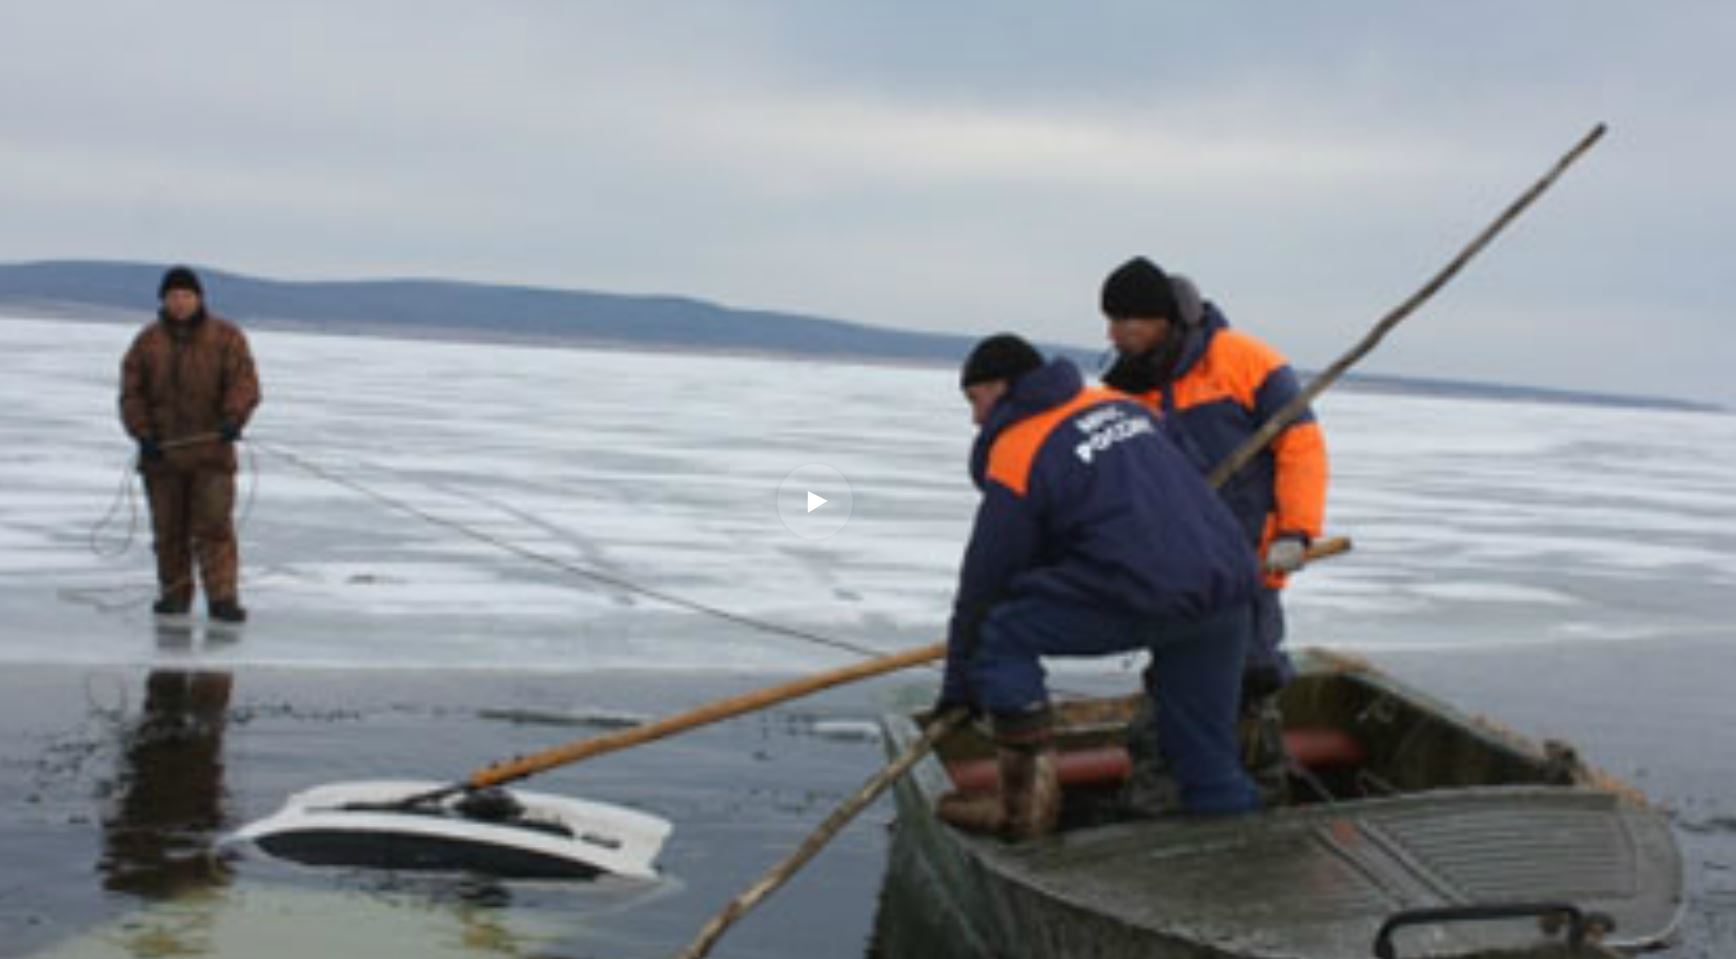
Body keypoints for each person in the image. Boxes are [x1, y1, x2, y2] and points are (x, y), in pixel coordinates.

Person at [934, 333, 1262, 839]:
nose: (976, 419)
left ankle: (1025, 807)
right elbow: (1194, 472)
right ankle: (1242, 849)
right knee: (1205, 751)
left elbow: (985, 584)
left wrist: (961, 686)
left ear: (1002, 388)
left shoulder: (1019, 449)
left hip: (1151, 591)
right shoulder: (1123, 405)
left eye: (975, 401)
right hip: (1228, 585)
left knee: (1002, 634)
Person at [1099, 257, 1328, 693]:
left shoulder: (1246, 361)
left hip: (1248, 550)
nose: (1113, 335)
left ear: (1161, 321)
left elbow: (1301, 448)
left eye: (1125, 322)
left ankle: (1256, 730)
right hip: (1176, 559)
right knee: (1177, 668)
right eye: (1110, 322)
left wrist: (1295, 531)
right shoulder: (1125, 390)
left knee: (1253, 668)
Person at [119, 266, 261, 623]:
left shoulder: (226, 337)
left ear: (199, 299)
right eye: (173, 296)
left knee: (214, 530)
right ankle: (174, 596)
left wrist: (233, 419)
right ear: (163, 300)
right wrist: (143, 434)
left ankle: (222, 599)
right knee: (169, 532)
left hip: (212, 457)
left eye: (186, 295)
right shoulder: (147, 342)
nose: (180, 302)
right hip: (162, 458)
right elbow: (131, 394)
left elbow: (245, 384)